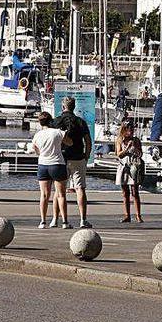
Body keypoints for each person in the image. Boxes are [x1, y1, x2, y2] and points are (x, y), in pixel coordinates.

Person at [57, 97, 92, 228]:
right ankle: (83, 219)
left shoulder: (57, 121)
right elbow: (88, 141)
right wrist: (87, 155)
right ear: (74, 107)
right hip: (78, 157)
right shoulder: (80, 122)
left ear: (63, 107)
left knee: (59, 191)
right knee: (80, 189)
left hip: (61, 158)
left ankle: (59, 219)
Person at [32, 111, 68, 229]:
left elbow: (36, 150)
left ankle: (42, 221)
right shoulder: (58, 132)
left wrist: (42, 153)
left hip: (43, 164)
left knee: (44, 195)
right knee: (61, 194)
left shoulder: (37, 135)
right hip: (57, 163)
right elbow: (70, 142)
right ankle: (64, 222)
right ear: (51, 120)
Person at [115, 121, 144, 224]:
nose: (131, 131)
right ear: (124, 130)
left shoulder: (136, 140)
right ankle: (127, 215)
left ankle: (138, 215)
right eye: (129, 129)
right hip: (124, 166)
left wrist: (135, 148)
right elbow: (119, 154)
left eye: (132, 129)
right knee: (125, 193)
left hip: (134, 167)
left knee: (135, 192)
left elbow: (140, 154)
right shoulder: (119, 140)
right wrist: (127, 149)